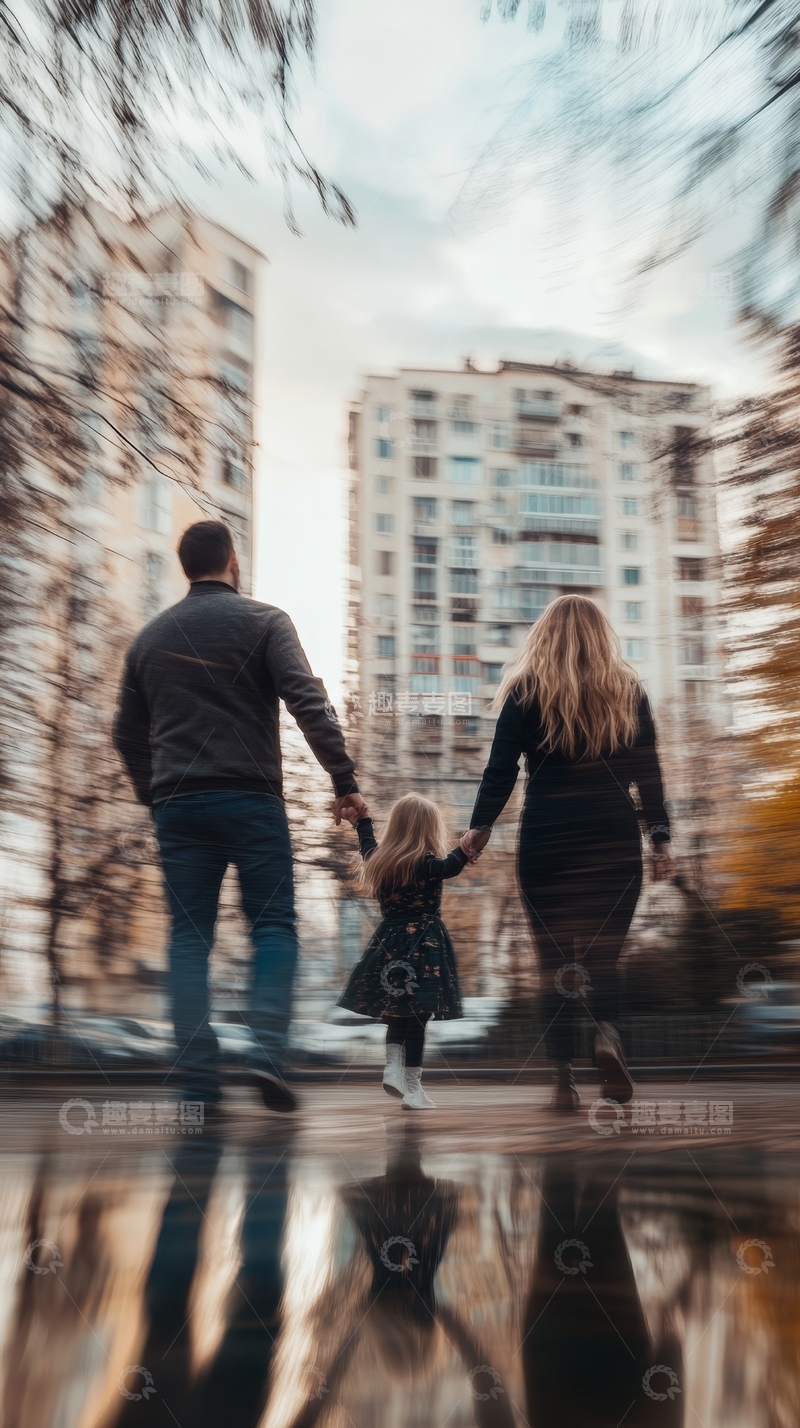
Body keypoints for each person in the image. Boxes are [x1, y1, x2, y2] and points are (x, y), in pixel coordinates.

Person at [113, 520, 367, 1113]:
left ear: (186, 566)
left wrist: (156, 795)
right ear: (232, 560)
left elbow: (126, 734)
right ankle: (266, 1059)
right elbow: (308, 701)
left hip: (179, 807)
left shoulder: (148, 640)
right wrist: (345, 781)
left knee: (187, 941)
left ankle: (199, 1083)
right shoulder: (265, 621)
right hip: (252, 799)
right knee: (273, 927)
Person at [462, 594, 675, 1112]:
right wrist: (660, 837)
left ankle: (562, 1080)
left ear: (545, 636)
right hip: (612, 832)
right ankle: (606, 1035)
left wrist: (479, 828)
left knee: (552, 961)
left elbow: (501, 771)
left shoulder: (524, 691)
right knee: (605, 958)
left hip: (547, 832)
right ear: (604, 636)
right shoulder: (627, 690)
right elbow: (648, 773)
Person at [337, 794, 471, 1110]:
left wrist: (363, 822)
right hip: (425, 945)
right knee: (419, 1016)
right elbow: (452, 864)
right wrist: (469, 844)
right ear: (428, 828)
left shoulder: (379, 861)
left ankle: (391, 1069)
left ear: (395, 827)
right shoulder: (428, 865)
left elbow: (367, 843)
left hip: (388, 944)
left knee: (396, 1012)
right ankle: (413, 1089)